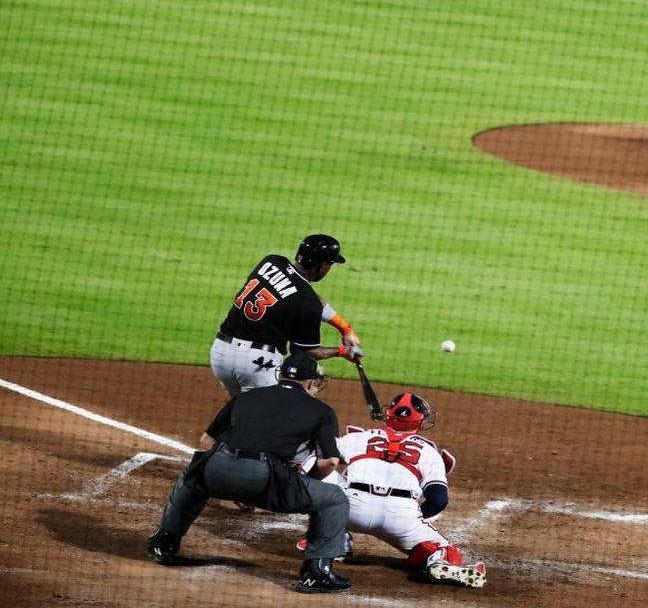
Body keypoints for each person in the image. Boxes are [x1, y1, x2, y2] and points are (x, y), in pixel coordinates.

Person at [146, 354, 353, 593]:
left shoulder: (247, 396)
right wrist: (304, 481)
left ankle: (164, 542)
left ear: (280, 375)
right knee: (334, 499)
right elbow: (330, 462)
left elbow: (206, 443)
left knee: (192, 477)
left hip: (218, 468)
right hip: (266, 478)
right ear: (310, 382)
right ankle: (316, 573)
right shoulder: (322, 411)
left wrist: (227, 477)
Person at [298, 392, 487, 588]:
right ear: (420, 421)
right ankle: (436, 561)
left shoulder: (358, 437)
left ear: (388, 415)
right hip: (400, 516)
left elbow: (314, 458)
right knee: (445, 550)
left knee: (321, 471)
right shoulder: (429, 452)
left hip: (349, 508)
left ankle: (330, 539)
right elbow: (439, 500)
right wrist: (412, 519)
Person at [210, 233, 364, 398]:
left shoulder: (271, 262)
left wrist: (345, 328)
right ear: (321, 266)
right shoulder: (307, 302)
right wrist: (342, 351)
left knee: (239, 411)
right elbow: (309, 351)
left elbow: (308, 297)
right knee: (267, 417)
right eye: (329, 264)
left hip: (220, 354)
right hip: (256, 365)